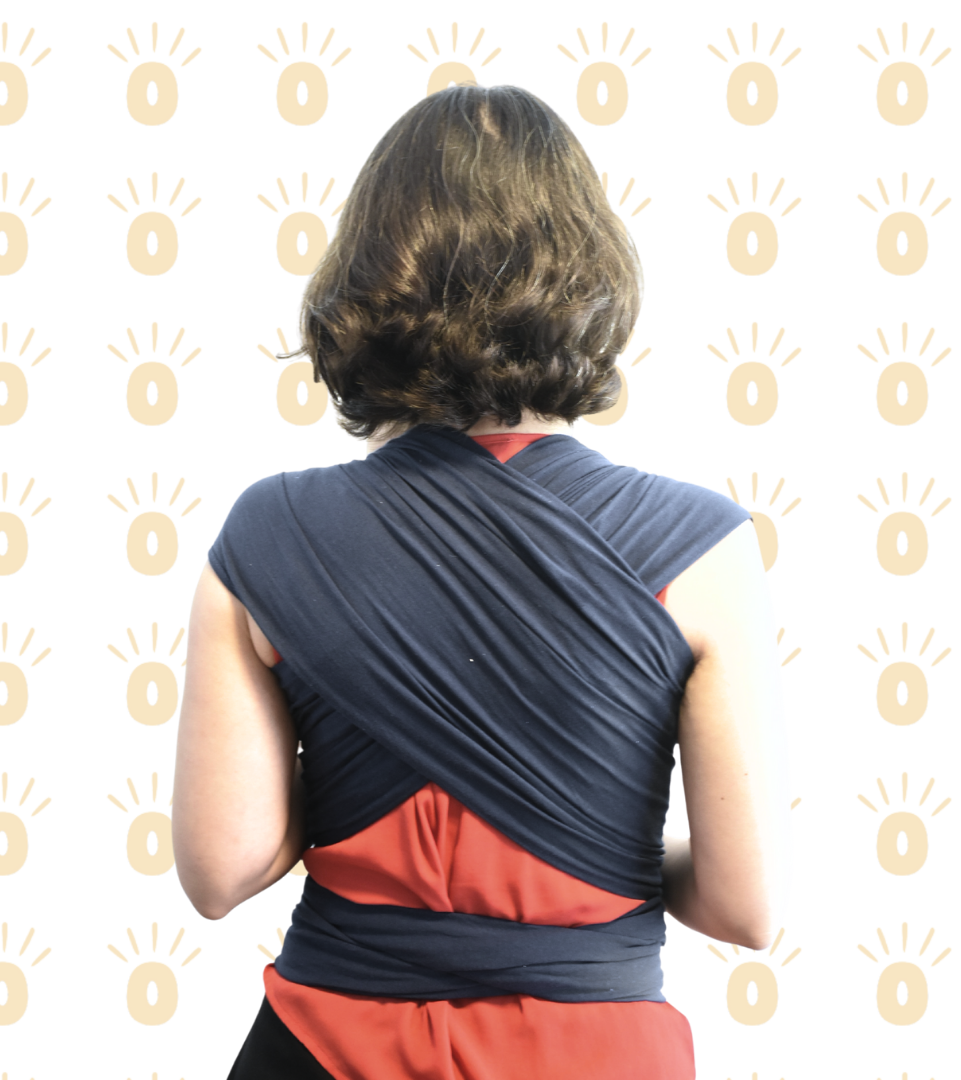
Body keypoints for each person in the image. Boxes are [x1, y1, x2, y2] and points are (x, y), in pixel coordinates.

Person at [172, 84, 791, 1080]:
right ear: (587, 276)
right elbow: (743, 904)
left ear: (368, 277)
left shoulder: (268, 535)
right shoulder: (704, 549)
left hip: (325, 1049)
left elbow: (221, 868)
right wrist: (603, 852)